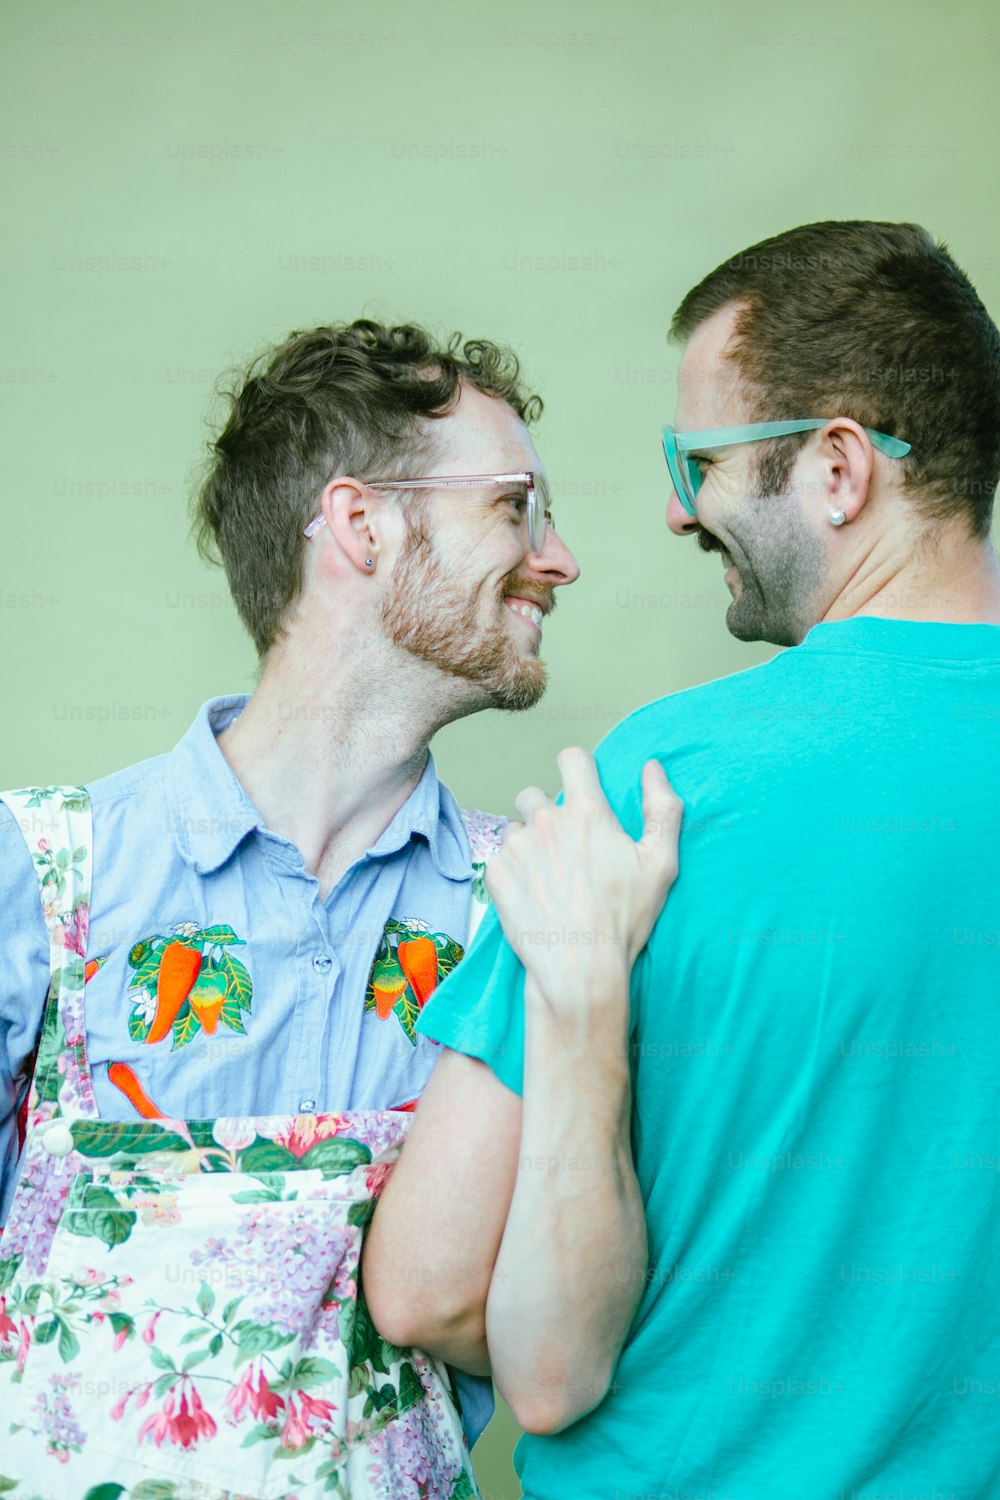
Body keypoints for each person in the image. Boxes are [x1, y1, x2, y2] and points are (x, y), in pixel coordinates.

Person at [364, 221, 1000, 1498]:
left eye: (695, 458)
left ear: (835, 469)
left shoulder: (665, 787)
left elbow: (429, 1286)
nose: (672, 506)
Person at [0, 319, 582, 1498]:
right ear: (359, 525)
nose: (559, 556)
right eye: (515, 505)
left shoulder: (530, 904)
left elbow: (551, 1338)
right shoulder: (41, 870)